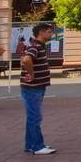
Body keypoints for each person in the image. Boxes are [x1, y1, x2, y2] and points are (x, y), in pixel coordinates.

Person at [20, 23, 56, 154]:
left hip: (34, 87)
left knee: (32, 117)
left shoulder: (36, 46)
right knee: (35, 117)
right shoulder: (35, 46)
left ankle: (30, 144)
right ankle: (37, 146)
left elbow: (23, 59)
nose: (50, 34)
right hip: (33, 88)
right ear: (41, 33)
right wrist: (31, 74)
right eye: (49, 32)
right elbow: (26, 59)